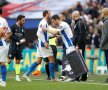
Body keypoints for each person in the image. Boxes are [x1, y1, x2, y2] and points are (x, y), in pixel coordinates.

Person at [23, 10, 56, 81]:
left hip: (40, 44)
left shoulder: (44, 22)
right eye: (50, 13)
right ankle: (53, 78)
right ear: (47, 14)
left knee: (38, 61)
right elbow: (38, 33)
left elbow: (45, 34)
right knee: (51, 59)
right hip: (43, 44)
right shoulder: (43, 22)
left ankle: (26, 74)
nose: (51, 15)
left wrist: (54, 35)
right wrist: (44, 42)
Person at [42, 15, 75, 81]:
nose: (53, 23)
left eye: (53, 21)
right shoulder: (62, 25)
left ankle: (73, 77)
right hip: (67, 45)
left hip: (69, 44)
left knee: (70, 61)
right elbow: (57, 34)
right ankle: (72, 76)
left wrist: (46, 28)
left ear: (57, 19)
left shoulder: (63, 24)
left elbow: (54, 32)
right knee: (68, 60)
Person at [6, 15, 26, 81]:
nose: (24, 21)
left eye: (24, 20)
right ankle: (2, 75)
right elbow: (10, 35)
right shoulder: (13, 27)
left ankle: (17, 76)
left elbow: (23, 37)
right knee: (8, 61)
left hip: (19, 47)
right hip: (13, 46)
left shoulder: (23, 28)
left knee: (18, 61)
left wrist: (23, 40)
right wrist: (18, 40)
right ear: (19, 20)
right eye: (23, 20)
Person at [72, 11, 87, 82]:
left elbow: (82, 35)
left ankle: (78, 78)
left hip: (79, 45)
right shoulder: (77, 23)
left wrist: (78, 45)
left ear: (74, 15)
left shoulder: (80, 23)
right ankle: (83, 77)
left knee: (79, 61)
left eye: (72, 15)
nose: (71, 16)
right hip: (78, 44)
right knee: (80, 60)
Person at [0, 8, 11, 87]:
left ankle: (3, 81)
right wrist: (4, 39)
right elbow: (9, 33)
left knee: (2, 63)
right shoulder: (4, 20)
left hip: (1, 45)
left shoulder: (1, 21)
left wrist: (2, 38)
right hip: (2, 44)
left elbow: (1, 32)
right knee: (2, 63)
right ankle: (2, 80)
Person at [100, 7, 108, 82]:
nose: (101, 14)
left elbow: (106, 35)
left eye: (102, 12)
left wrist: (102, 44)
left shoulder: (106, 21)